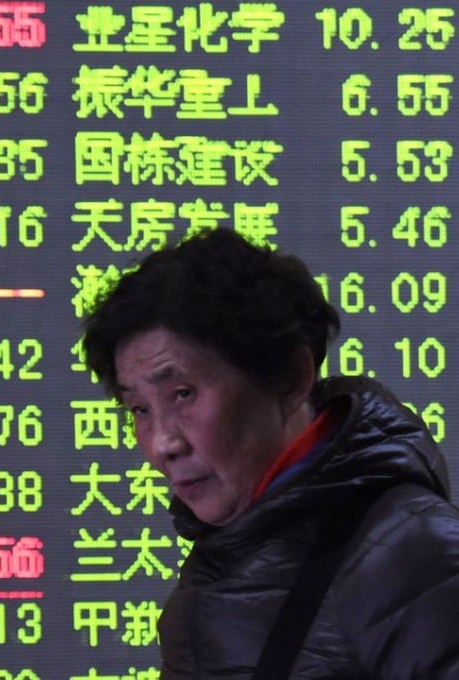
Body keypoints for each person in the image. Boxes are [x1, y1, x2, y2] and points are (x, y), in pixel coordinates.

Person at [81, 228, 459, 679]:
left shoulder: (411, 553)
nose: (163, 443)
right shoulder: (221, 560)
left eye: (182, 394)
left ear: (291, 377)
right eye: (140, 409)